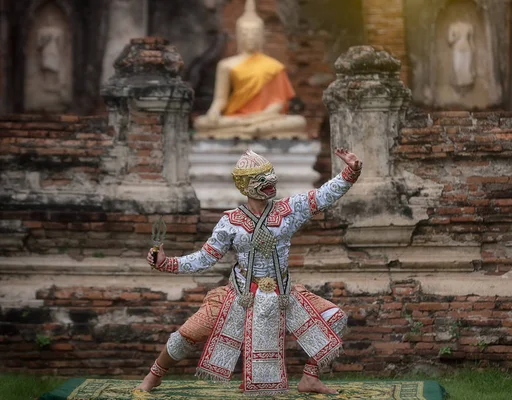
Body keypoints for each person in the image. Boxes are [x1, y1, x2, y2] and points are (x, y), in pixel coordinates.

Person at [135, 148, 362, 395]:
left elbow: (322, 196)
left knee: (335, 316)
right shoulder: (230, 222)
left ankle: (310, 377)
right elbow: (204, 258)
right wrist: (166, 263)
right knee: (188, 333)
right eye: (261, 178)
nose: (271, 181)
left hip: (283, 294)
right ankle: (154, 375)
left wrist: (350, 172)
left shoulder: (289, 209)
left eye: (271, 174)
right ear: (245, 185)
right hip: (240, 295)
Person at [192, 0, 307, 139]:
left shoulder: (273, 66)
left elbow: (278, 103)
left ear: (261, 36)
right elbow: (220, 99)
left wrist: (258, 117)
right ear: (239, 35)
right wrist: (214, 111)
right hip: (235, 118)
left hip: (265, 119)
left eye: (254, 33)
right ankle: (249, 129)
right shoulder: (226, 65)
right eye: (246, 33)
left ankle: (248, 129)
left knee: (298, 122)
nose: (250, 37)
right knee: (201, 123)